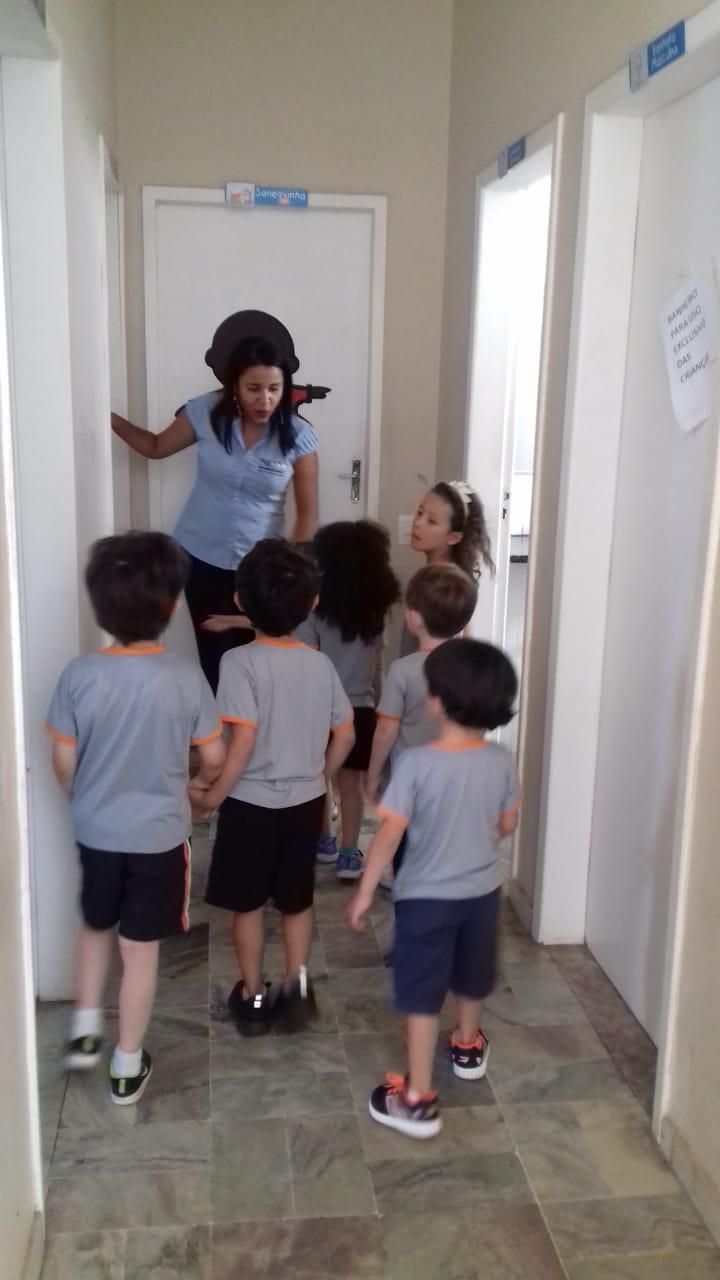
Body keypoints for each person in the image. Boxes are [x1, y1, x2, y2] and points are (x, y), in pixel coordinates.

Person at [46, 533, 224, 1104]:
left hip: (96, 833)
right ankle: (126, 1065)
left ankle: (83, 1030)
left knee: (96, 925)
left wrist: (86, 800)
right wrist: (196, 788)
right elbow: (214, 756)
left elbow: (63, 761)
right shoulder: (185, 677)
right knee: (139, 950)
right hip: (159, 840)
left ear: (99, 606)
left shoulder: (78, 675)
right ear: (172, 607)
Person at [347, 638, 520, 1139]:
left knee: (422, 994)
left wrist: (365, 890)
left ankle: (417, 1099)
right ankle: (467, 1045)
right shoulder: (501, 760)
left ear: (438, 702)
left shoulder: (418, 764)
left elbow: (389, 835)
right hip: (482, 895)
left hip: (425, 901)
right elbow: (506, 823)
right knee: (470, 975)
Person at [191, 539, 355, 1035]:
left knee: (247, 906)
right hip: (306, 804)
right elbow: (346, 734)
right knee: (296, 901)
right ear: (312, 603)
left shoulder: (239, 663)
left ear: (239, 601)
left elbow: (241, 744)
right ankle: (296, 987)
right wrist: (319, 774)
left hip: (249, 807)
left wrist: (212, 797)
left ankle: (254, 995)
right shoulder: (319, 663)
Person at [111, 334, 319, 691]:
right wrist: (109, 419)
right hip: (201, 558)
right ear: (234, 384)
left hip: (261, 570)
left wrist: (291, 575)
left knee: (262, 664)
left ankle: (253, 726)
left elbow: (307, 516)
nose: (265, 399)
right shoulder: (205, 412)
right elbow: (156, 446)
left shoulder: (298, 436)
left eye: (274, 389)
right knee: (215, 662)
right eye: (253, 388)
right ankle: (219, 726)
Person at [296, 520, 401, 880]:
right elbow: (376, 668)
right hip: (360, 709)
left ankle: (324, 842)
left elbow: (308, 662)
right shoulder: (374, 615)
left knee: (319, 777)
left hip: (320, 709)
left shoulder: (313, 611)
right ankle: (349, 856)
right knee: (351, 784)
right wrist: (380, 705)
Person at [365, 563, 478, 806]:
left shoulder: (402, 670)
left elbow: (386, 730)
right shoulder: (470, 669)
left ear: (414, 618)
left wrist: (373, 775)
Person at [399, 480, 493, 656]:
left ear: (453, 537)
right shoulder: (431, 578)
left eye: (431, 521)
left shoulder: (444, 588)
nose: (417, 523)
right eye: (420, 512)